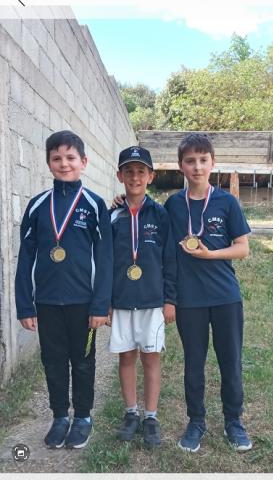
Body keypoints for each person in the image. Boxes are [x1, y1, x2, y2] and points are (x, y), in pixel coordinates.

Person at [15, 130, 113, 449]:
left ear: (83, 162)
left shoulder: (95, 206)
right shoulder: (37, 206)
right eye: (57, 158)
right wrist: (25, 305)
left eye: (71, 158)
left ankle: (82, 416)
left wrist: (101, 305)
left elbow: (105, 258)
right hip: (46, 302)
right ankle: (59, 416)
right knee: (53, 361)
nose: (64, 163)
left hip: (83, 304)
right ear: (48, 163)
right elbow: (26, 256)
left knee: (83, 361)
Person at [164, 132, 252, 452]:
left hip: (225, 297)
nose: (197, 167)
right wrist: (121, 200)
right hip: (190, 300)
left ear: (213, 163)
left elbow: (242, 249)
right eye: (191, 161)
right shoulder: (173, 204)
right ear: (181, 166)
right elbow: (164, 248)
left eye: (203, 160)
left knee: (231, 363)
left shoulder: (227, 202)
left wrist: (210, 255)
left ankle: (234, 422)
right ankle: (196, 422)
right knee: (194, 365)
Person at [109, 145, 177, 448]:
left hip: (152, 300)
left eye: (141, 171)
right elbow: (104, 260)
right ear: (120, 175)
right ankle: (131, 413)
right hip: (121, 299)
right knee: (126, 357)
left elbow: (170, 260)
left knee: (151, 358)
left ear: (150, 176)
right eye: (129, 171)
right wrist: (105, 302)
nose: (134, 177)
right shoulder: (111, 216)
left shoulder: (160, 215)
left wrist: (170, 299)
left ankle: (151, 416)